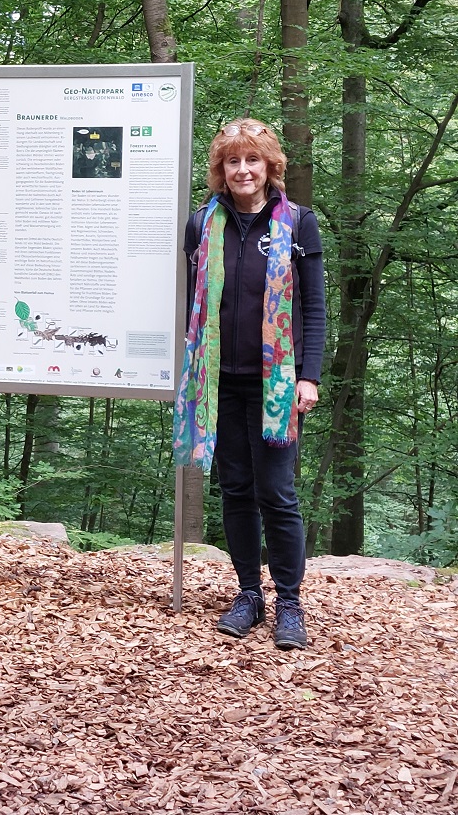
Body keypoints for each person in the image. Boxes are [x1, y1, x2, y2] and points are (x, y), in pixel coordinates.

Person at [173, 118, 326, 650]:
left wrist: (309, 376)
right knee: (236, 490)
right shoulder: (202, 225)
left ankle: (289, 603)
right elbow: (193, 305)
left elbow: (314, 307)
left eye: (252, 160)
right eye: (233, 161)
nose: (243, 170)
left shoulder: (298, 223)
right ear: (222, 169)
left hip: (277, 386)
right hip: (220, 382)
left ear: (269, 166)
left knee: (277, 494)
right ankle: (248, 594)